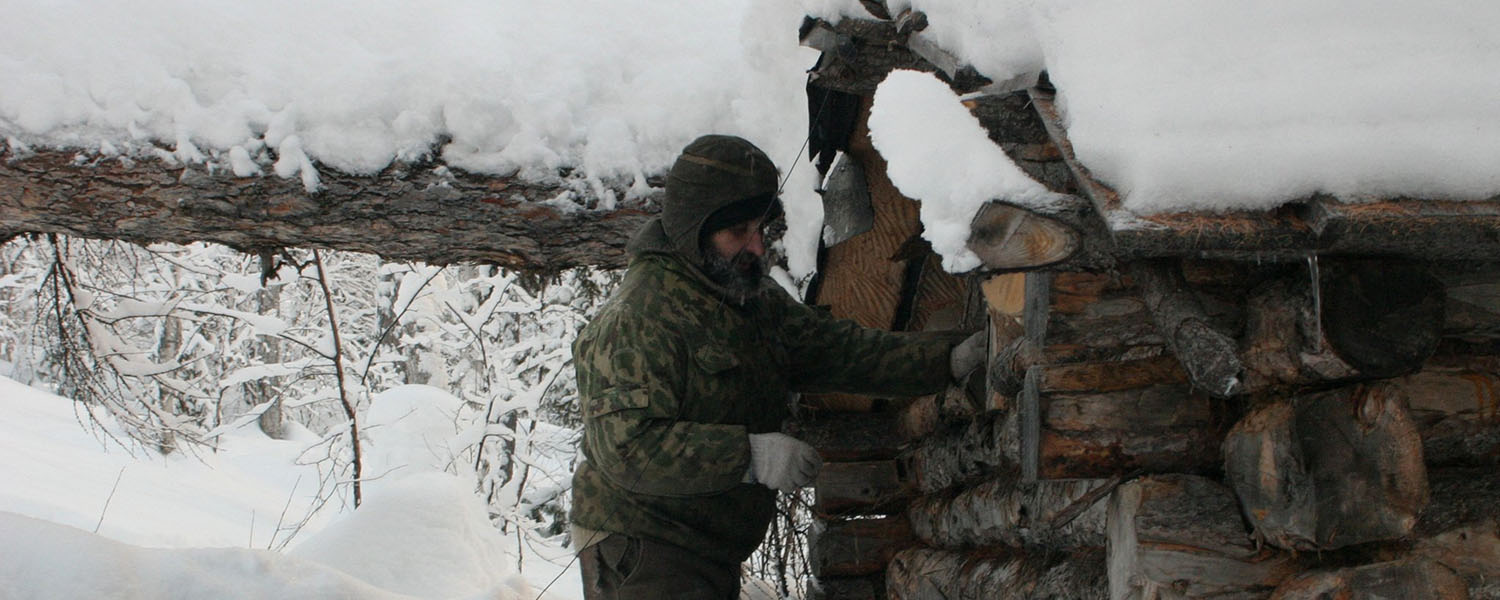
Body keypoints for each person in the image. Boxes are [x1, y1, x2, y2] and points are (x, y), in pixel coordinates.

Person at [569, 134, 985, 599]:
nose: (756, 247)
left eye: (760, 228)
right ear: (694, 230)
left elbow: (836, 351)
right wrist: (751, 456)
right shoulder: (639, 317)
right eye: (736, 232)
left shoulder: (748, 298)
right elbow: (626, 447)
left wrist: (946, 358)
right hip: (643, 543)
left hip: (703, 544)